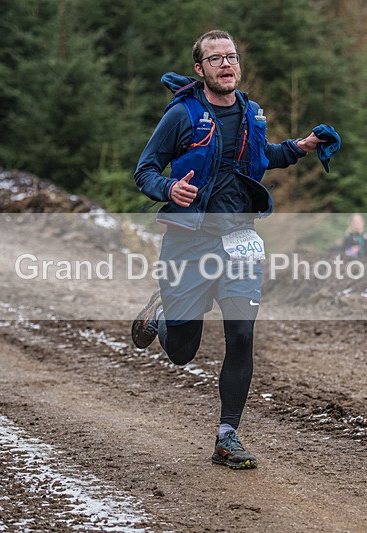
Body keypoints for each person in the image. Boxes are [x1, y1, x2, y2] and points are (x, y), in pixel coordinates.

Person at [130, 30, 332, 469]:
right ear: (200, 69)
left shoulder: (252, 114)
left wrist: (303, 147)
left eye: (232, 57)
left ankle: (227, 436)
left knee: (241, 337)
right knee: (183, 352)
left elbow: (263, 158)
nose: (226, 64)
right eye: (215, 58)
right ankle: (162, 314)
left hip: (240, 241)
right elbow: (144, 170)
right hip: (189, 242)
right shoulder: (182, 116)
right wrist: (168, 187)